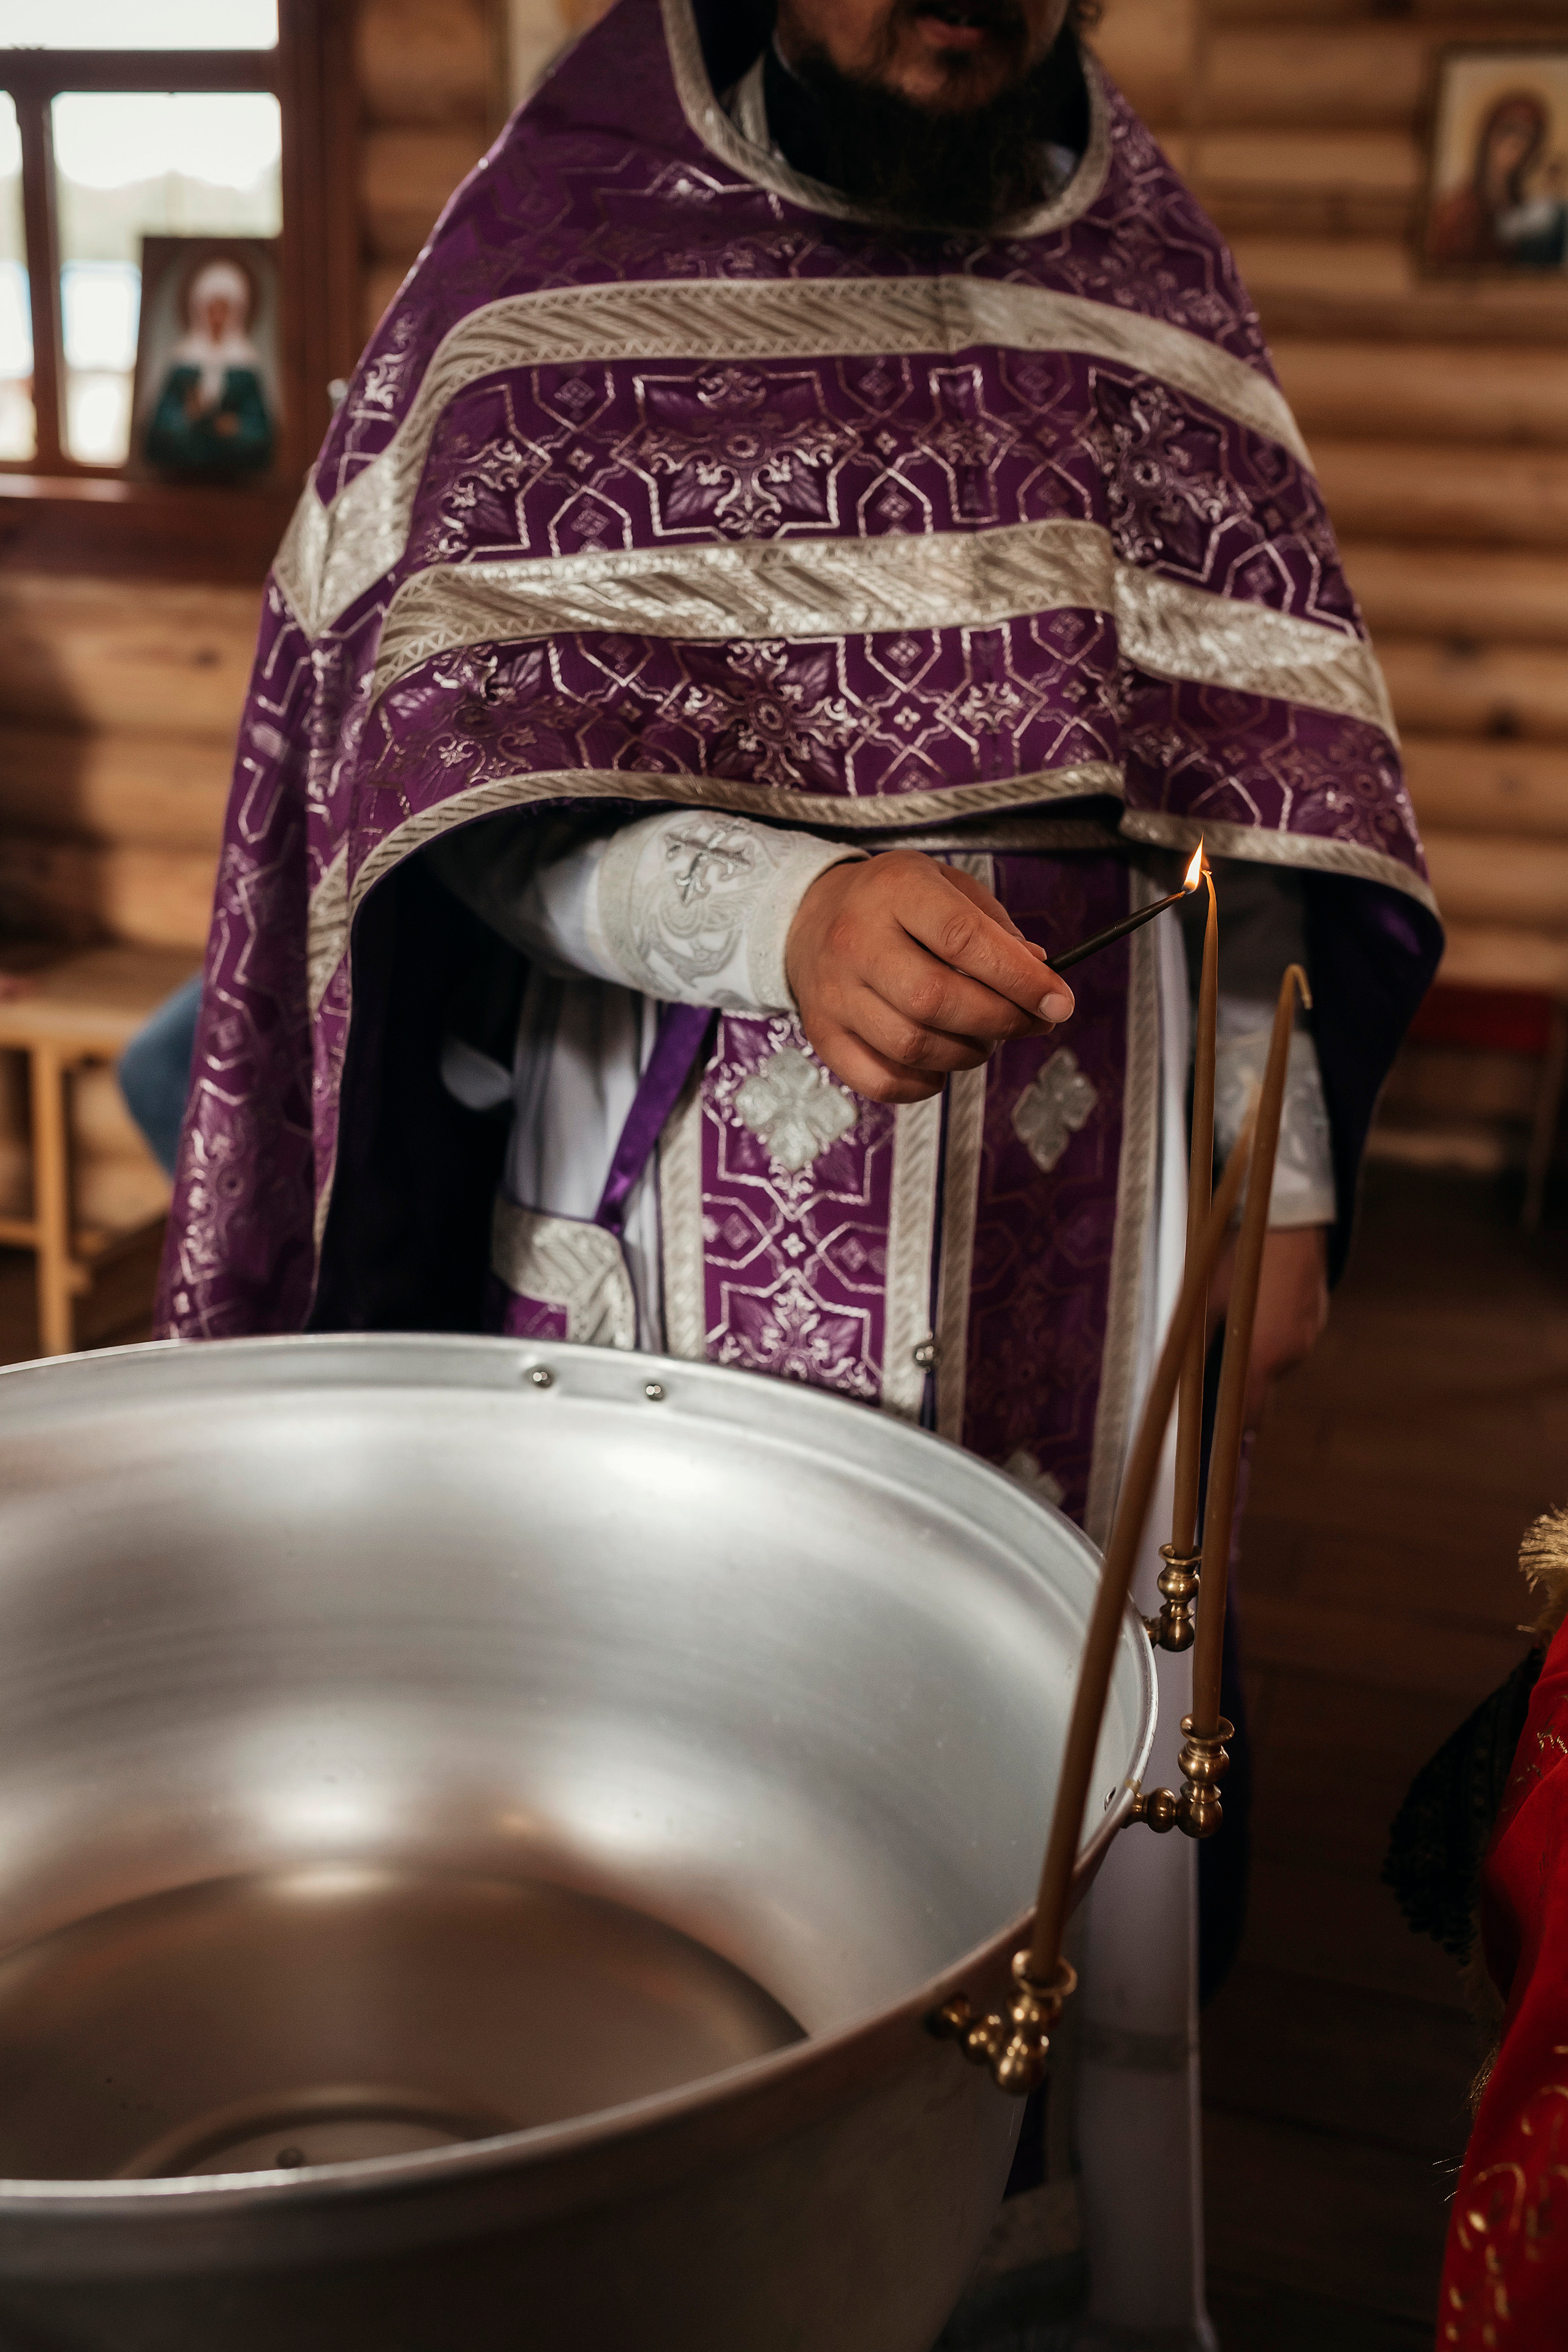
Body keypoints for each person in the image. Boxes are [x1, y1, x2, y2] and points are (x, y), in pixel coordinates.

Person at [157, 0, 1441, 2338]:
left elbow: (1254, 797)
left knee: (1082, 1856)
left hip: (1096, 1254)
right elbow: (439, 839)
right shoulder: (538, 262)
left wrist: (1276, 1177)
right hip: (675, 1263)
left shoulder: (1146, 273)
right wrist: (771, 917)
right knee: (676, 1905)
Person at [145, 255, 273, 477]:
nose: (216, 318)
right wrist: (187, 418)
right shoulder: (183, 362)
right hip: (181, 479)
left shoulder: (246, 366)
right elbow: (158, 429)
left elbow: (261, 431)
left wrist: (236, 428)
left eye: (224, 310)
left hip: (236, 482)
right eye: (211, 309)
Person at [1428, 91, 1551, 268]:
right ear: (1489, 135)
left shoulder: (1530, 215)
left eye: (1526, 135)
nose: (1514, 142)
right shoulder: (1455, 211)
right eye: (1509, 130)